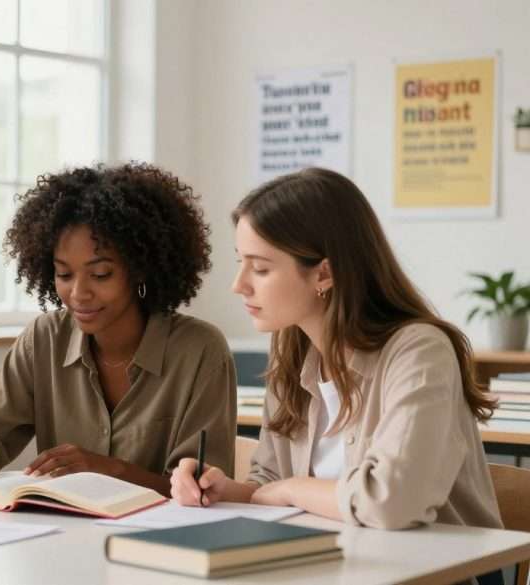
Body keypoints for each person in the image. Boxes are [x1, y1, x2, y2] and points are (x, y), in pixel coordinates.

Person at [170, 167, 502, 534]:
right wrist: (225, 491)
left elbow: (391, 502)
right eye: (240, 262)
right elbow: (269, 486)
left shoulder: (420, 352)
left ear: (324, 275)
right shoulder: (292, 354)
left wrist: (292, 489)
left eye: (260, 268)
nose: (239, 285)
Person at [0, 162, 236, 496]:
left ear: (140, 270)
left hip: (157, 544)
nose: (78, 293)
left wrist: (110, 470)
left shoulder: (200, 350)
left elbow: (203, 489)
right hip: (58, 536)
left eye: (101, 274)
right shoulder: (44, 339)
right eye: (64, 275)